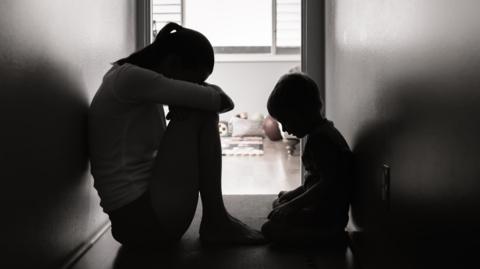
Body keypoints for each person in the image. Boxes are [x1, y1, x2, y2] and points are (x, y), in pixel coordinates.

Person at [88, 23, 265, 247]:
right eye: (195, 81)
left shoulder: (126, 78)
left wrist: (190, 95)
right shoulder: (131, 78)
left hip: (138, 218)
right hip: (142, 219)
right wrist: (199, 95)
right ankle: (217, 220)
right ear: (172, 63)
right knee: (202, 113)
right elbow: (222, 101)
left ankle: (217, 220)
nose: (196, 86)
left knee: (197, 109)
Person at [261, 73, 352, 246]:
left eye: (287, 122)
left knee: (270, 230)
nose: (286, 129)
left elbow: (327, 184)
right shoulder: (323, 132)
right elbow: (314, 181)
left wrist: (292, 206)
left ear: (303, 113)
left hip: (327, 215)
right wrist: (292, 196)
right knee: (278, 204)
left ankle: (328, 237)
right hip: (320, 207)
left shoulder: (322, 141)